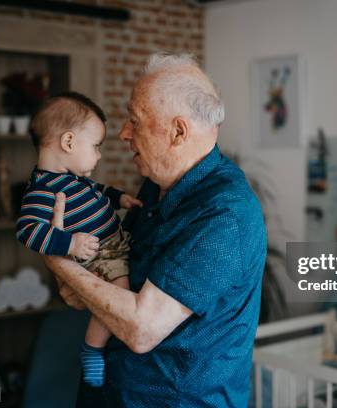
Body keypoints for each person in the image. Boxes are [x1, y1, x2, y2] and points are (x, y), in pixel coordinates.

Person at [43, 53, 267, 407]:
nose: (123, 133)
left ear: (178, 131)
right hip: (113, 392)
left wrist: (59, 260)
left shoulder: (224, 215)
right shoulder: (155, 186)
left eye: (135, 121)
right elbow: (97, 284)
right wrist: (82, 276)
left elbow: (141, 329)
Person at [16, 92, 142, 388]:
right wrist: (69, 244)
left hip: (114, 243)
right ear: (69, 142)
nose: (99, 155)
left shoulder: (72, 178)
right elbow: (28, 230)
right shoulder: (42, 190)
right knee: (119, 294)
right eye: (96, 146)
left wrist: (118, 197)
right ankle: (92, 348)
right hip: (99, 256)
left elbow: (95, 190)